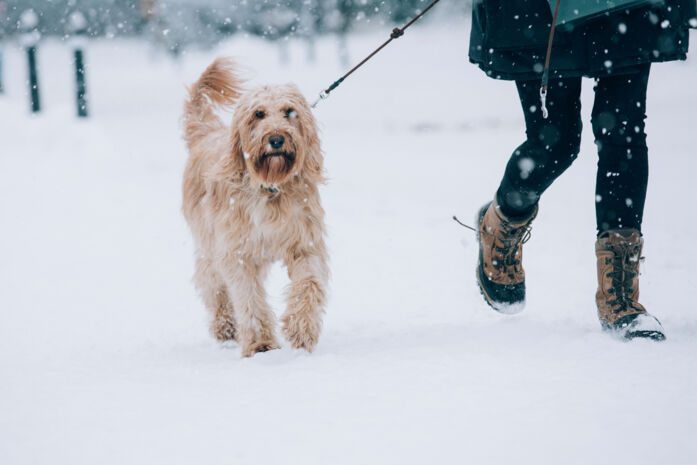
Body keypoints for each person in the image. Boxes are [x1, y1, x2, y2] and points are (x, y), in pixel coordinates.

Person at [468, 0, 697, 340]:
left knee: (623, 132)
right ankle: (502, 222)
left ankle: (619, 295)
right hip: (538, 11)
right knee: (555, 143)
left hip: (625, 7)